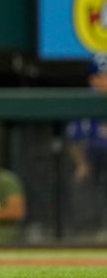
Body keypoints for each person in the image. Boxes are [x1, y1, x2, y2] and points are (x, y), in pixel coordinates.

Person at [65, 53, 107, 234]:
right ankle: (85, 232)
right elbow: (73, 139)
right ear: (92, 79)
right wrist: (82, 164)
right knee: (83, 183)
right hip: (92, 160)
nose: (104, 80)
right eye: (101, 76)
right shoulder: (86, 102)